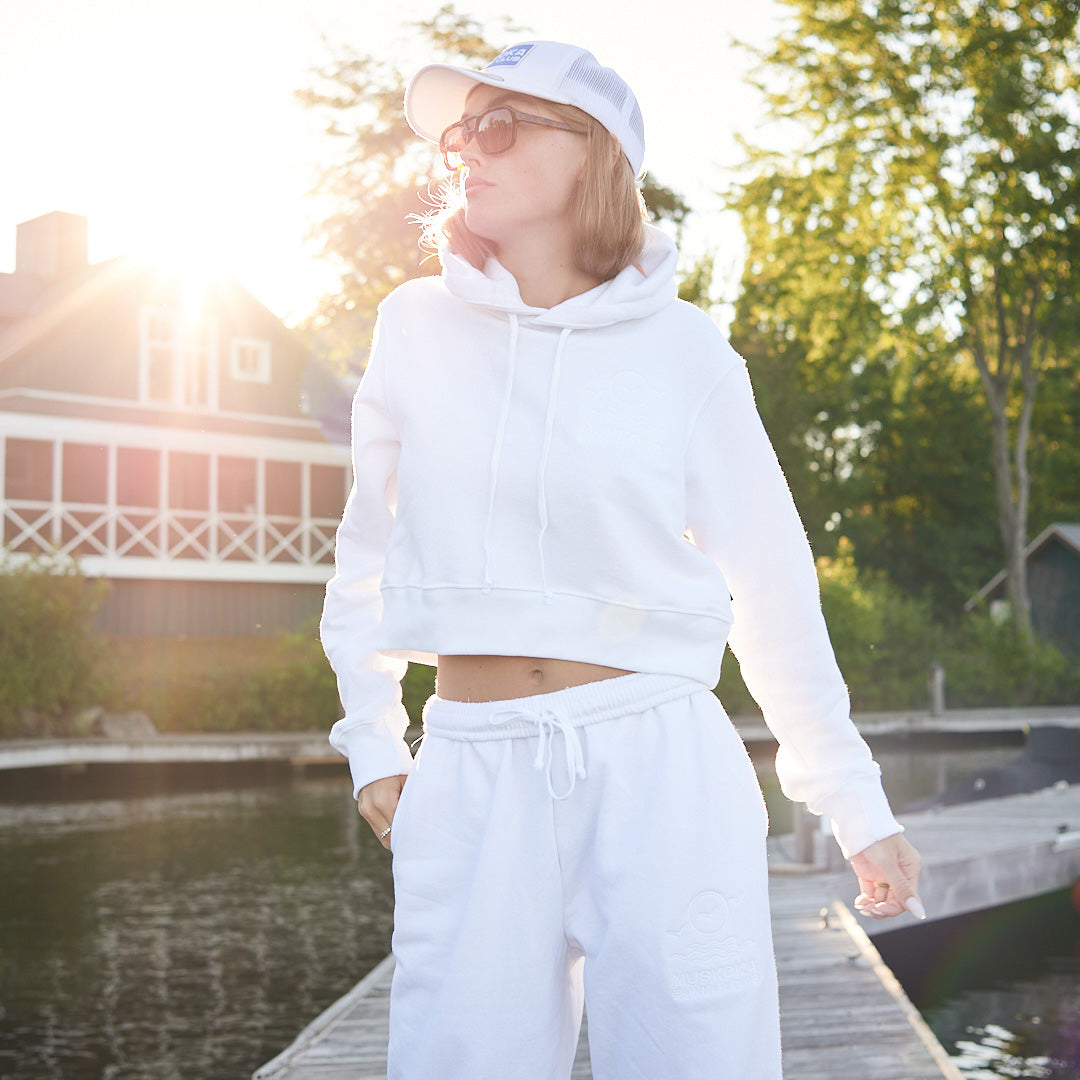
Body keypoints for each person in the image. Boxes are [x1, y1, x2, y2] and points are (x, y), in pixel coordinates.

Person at [320, 39, 924, 1080]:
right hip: (469, 769)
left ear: (594, 156)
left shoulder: (690, 354)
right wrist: (374, 742)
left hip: (661, 770)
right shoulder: (411, 327)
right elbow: (363, 553)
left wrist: (853, 803)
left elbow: (773, 586)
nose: (469, 149)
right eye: (463, 131)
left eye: (502, 125)